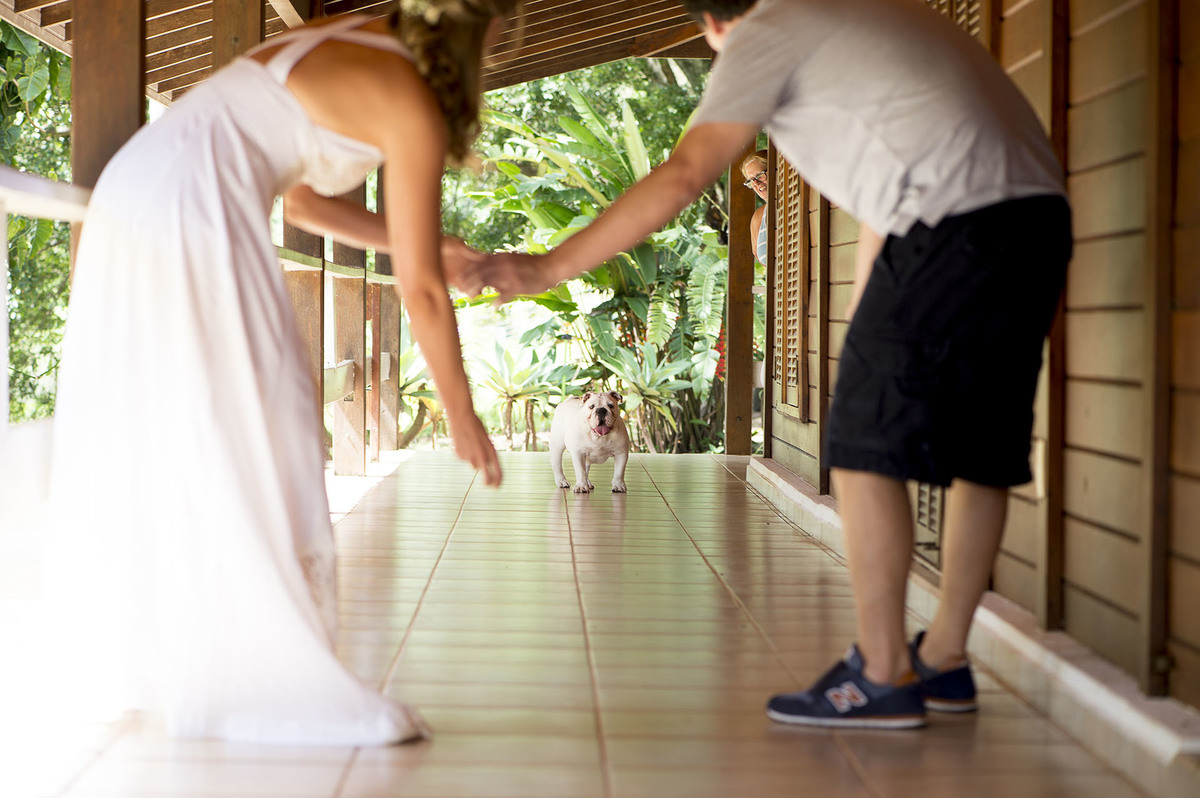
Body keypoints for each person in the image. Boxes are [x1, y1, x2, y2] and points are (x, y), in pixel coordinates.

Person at [459, 0, 1071, 729]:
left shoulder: (767, 29)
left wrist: (546, 267)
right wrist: (865, 333)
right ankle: (943, 660)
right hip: (1035, 224)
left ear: (712, 25)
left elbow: (686, 173)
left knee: (861, 447)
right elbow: (887, 198)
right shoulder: (867, 22)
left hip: (948, 225)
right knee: (979, 446)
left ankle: (883, 675)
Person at [38, 0, 513, 745]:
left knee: (215, 420)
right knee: (270, 426)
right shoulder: (410, 99)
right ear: (479, 31)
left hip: (141, 186)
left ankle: (198, 656)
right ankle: (260, 679)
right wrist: (460, 413)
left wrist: (425, 242)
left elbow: (303, 202)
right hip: (193, 203)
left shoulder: (348, 35)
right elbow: (421, 291)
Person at [740, 149, 769, 265]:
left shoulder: (795, 203)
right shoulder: (758, 218)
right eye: (751, 180)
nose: (756, 184)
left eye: (760, 176)